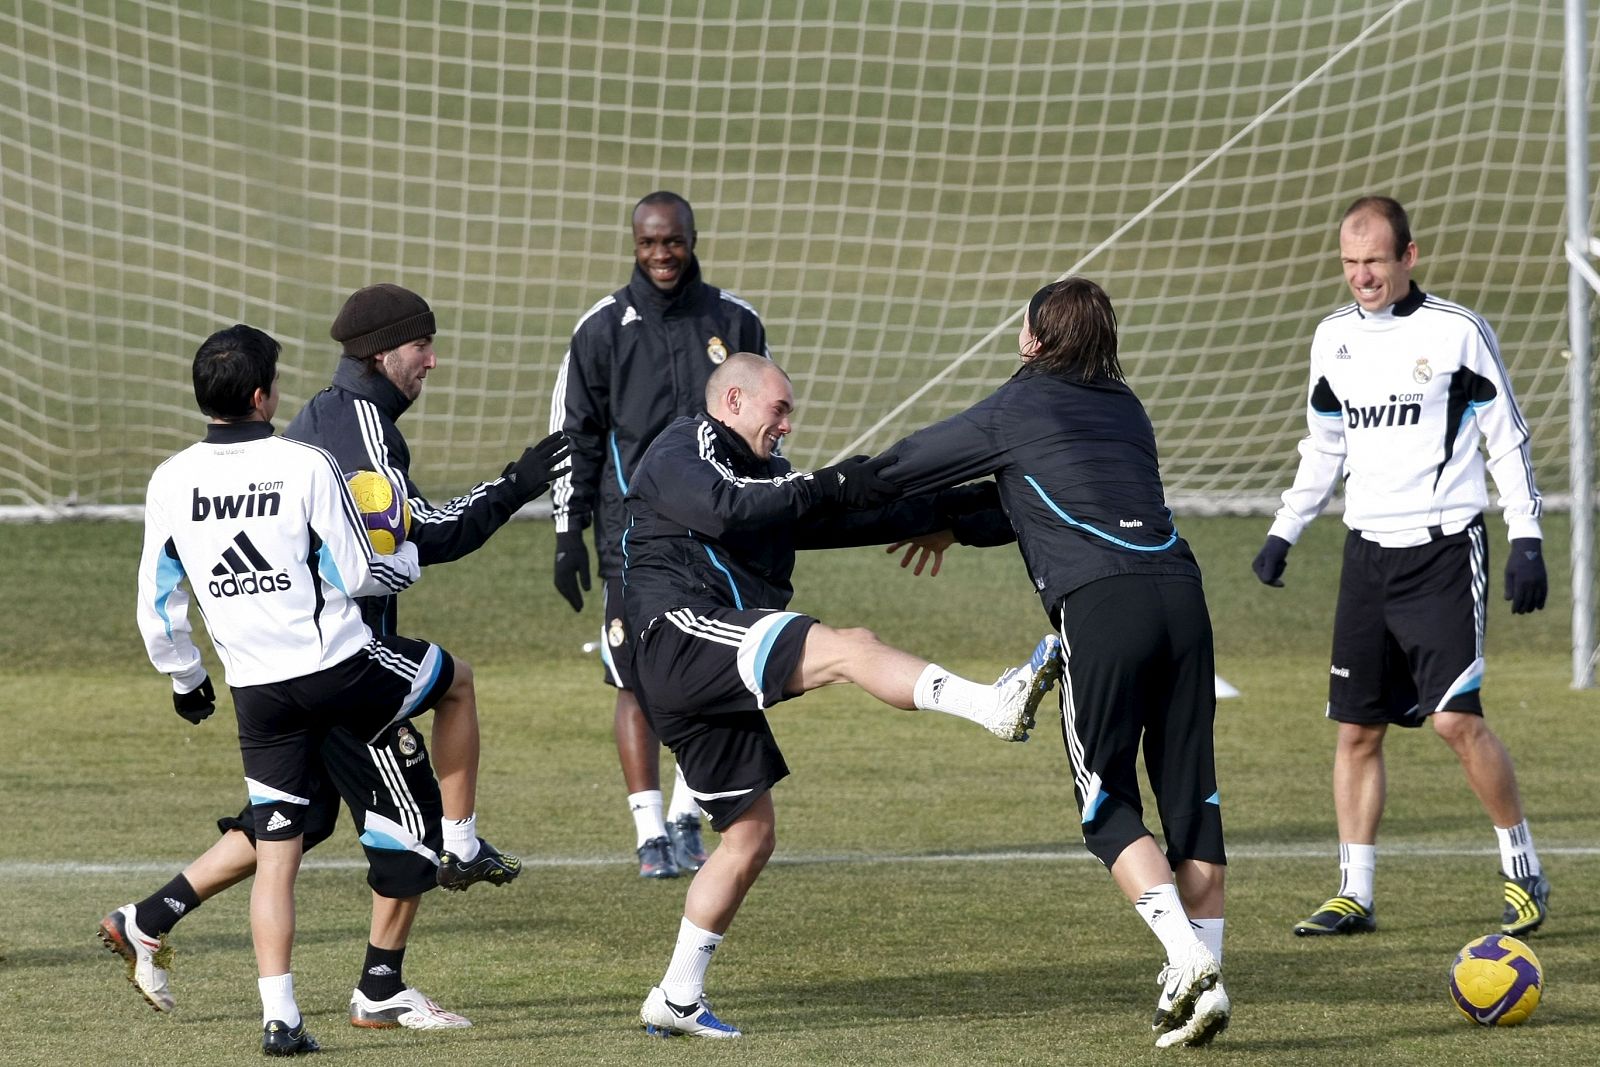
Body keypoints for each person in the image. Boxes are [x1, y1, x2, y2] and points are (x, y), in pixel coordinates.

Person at [107, 291, 567, 1035]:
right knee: (411, 821)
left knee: (295, 822)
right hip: (342, 665)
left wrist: (187, 677)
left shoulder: (175, 477)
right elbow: (375, 556)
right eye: (422, 344)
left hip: (257, 681)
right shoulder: (326, 450)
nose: (433, 359)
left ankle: (174, 937)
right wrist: (512, 487)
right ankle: (393, 965)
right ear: (264, 394)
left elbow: (156, 596)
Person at [626, 353, 1063, 1039]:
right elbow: (726, 506)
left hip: (709, 666)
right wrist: (829, 481)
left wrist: (981, 510)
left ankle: (676, 995)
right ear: (733, 399)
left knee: (750, 836)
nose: (788, 425)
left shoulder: (767, 475)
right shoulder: (683, 447)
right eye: (780, 409)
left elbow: (846, 510)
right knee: (851, 645)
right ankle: (992, 704)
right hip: (678, 635)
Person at [864, 278, 1231, 1047]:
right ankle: (1205, 985)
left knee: (1105, 804)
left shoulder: (1017, 404)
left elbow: (908, 463)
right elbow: (1029, 496)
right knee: (1192, 802)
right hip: (1185, 599)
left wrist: (815, 494)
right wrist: (960, 528)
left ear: (1035, 339)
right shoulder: (1126, 409)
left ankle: (1185, 956)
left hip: (1102, 609)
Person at [1251, 195, 1551, 940]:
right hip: (1365, 555)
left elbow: (1505, 439)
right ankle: (1354, 891)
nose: (1362, 277)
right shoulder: (1332, 340)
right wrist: (1285, 529)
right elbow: (1325, 443)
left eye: (1375, 262)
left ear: (1408, 257)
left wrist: (1528, 538)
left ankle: (1523, 868)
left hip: (1444, 550)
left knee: (1455, 719)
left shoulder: (1457, 333)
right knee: (1357, 730)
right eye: (1350, 264)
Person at [549, 191, 770, 878]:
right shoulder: (601, 329)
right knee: (635, 677)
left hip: (719, 529)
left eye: (672, 241)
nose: (661, 255)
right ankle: (648, 831)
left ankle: (684, 817)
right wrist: (568, 529)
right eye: (649, 243)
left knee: (713, 667)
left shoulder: (734, 320)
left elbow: (765, 419)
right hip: (632, 535)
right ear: (634, 245)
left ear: (692, 238)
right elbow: (575, 435)